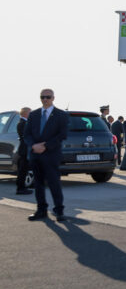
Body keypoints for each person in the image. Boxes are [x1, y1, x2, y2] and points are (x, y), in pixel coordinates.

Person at [24, 89, 69, 221]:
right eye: (42, 97)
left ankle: (59, 210)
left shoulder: (61, 115)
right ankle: (41, 210)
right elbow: (26, 134)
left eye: (48, 97)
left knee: (54, 183)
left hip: (51, 155)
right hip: (36, 154)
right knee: (38, 184)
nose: (45, 99)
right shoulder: (34, 114)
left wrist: (46, 146)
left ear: (53, 98)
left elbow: (62, 134)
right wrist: (33, 145)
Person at [15, 107, 32, 195]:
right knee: (22, 170)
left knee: (24, 170)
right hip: (24, 150)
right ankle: (20, 188)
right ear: (26, 113)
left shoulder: (24, 123)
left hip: (25, 149)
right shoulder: (22, 123)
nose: (31, 114)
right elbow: (25, 136)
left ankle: (22, 187)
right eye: (30, 112)